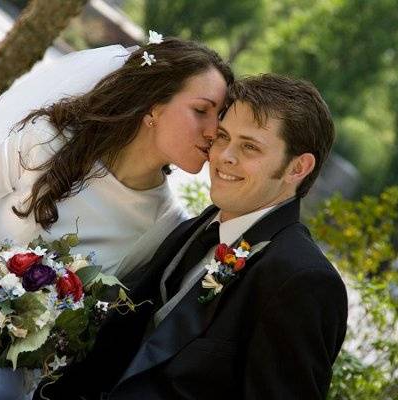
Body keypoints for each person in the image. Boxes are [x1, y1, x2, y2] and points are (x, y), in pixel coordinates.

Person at [0, 37, 232, 400]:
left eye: (222, 117)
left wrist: (29, 336)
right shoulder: (48, 141)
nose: (214, 132)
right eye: (201, 111)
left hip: (4, 354)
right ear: (153, 106)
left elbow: (97, 325)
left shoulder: (165, 222)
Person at [37, 74, 348, 400]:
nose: (224, 156)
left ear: (297, 168)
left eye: (250, 147)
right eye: (223, 137)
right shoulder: (196, 228)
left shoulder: (303, 281)